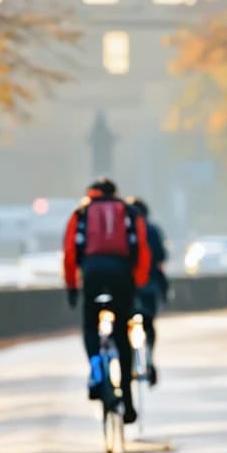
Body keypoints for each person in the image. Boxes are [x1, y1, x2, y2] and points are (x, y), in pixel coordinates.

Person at [62, 178, 151, 423]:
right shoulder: (129, 212)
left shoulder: (81, 212)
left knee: (91, 325)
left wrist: (71, 285)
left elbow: (70, 251)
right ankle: (129, 403)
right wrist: (138, 283)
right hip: (121, 273)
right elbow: (142, 249)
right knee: (122, 333)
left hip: (92, 272)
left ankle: (96, 371)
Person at [126, 196, 167, 386]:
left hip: (127, 287)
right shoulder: (152, 230)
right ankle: (149, 356)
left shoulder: (123, 230)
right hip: (149, 285)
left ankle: (131, 361)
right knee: (148, 323)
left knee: (125, 324)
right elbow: (160, 258)